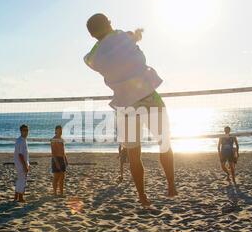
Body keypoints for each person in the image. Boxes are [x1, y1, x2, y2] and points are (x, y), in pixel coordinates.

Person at [84, 14, 177, 206]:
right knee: (164, 142)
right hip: (148, 96)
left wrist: (103, 40)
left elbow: (87, 59)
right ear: (109, 23)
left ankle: (142, 197)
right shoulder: (122, 36)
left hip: (124, 104)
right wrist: (135, 35)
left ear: (93, 36)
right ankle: (171, 186)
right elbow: (128, 38)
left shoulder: (96, 55)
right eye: (109, 21)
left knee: (134, 154)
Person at [51, 125, 68, 197]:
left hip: (62, 159)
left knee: (62, 177)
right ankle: (55, 193)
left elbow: (63, 150)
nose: (60, 131)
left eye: (61, 130)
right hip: (56, 159)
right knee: (56, 177)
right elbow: (53, 152)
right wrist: (56, 163)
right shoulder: (53, 139)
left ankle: (61, 193)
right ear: (55, 131)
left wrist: (66, 159)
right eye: (59, 130)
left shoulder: (61, 139)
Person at [14, 124, 30, 203]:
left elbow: (25, 154)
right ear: (21, 131)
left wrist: (27, 163)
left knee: (20, 179)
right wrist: (24, 165)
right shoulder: (21, 140)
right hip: (21, 163)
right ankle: (20, 197)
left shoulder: (23, 140)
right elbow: (20, 155)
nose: (26, 132)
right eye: (24, 130)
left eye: (27, 130)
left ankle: (16, 196)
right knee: (22, 180)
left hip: (22, 163)